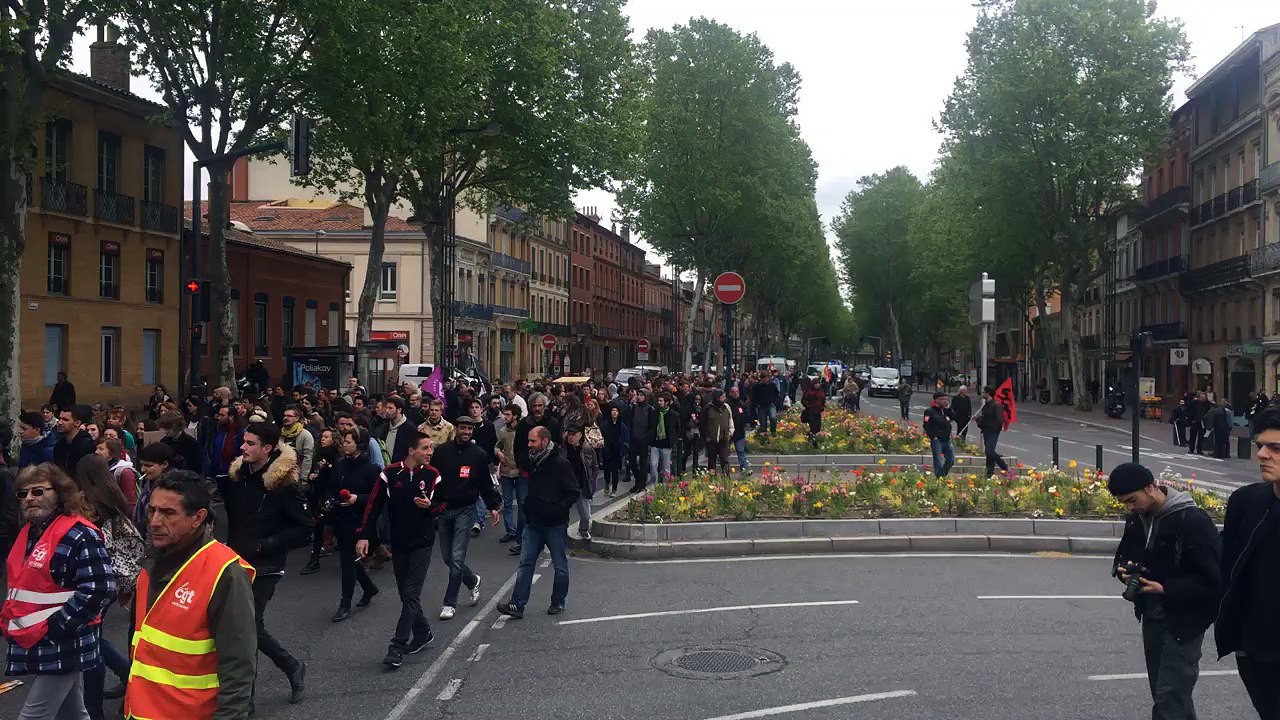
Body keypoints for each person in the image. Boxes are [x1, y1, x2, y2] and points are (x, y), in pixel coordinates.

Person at [124, 473, 256, 720]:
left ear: (198, 518)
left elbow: (239, 667)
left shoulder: (224, 572)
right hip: (141, 711)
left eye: (168, 513)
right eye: (152, 510)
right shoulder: (150, 561)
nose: (154, 521)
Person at [1108, 463, 1221, 720]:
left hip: (1185, 621)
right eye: (1123, 503)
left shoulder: (1192, 521)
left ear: (1151, 487)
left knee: (1170, 694)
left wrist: (1165, 587)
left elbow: (1214, 580)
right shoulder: (1136, 519)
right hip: (1151, 614)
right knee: (1164, 693)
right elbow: (1123, 556)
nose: (1129, 507)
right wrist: (1123, 571)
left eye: (1132, 500)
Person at [2, 463, 115, 720]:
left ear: (61, 494)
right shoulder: (31, 533)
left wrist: (57, 627)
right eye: (23, 493)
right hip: (45, 637)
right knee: (73, 714)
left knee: (33, 716)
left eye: (39, 491)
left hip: (62, 640)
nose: (29, 498)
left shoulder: (78, 533)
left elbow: (100, 587)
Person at [219, 421, 311, 705]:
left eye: (250, 444)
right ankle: (290, 666)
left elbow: (305, 529)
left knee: (249, 627)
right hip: (235, 562)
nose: (242, 448)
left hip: (267, 566)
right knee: (233, 627)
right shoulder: (237, 478)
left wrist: (265, 545)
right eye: (243, 442)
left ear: (268, 449)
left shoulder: (283, 485)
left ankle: (246, 700)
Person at [1216, 407, 1280, 717]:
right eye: (1260, 446)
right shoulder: (1246, 502)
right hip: (1256, 653)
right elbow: (1227, 570)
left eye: (1275, 448)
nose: (1262, 455)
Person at [358, 432, 440, 669]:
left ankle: (397, 646)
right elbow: (373, 506)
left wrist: (430, 507)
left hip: (423, 542)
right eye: (425, 448)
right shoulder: (390, 474)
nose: (430, 452)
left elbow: (444, 504)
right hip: (399, 542)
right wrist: (364, 535)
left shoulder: (433, 474)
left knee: (412, 593)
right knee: (405, 594)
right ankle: (423, 633)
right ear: (411, 450)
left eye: (431, 448)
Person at [74, 455, 143, 718]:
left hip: (93, 577)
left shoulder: (86, 503)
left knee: (91, 641)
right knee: (94, 638)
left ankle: (96, 705)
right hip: (114, 576)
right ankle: (128, 678)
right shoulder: (113, 495)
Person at [497, 426, 579, 619]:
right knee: (526, 563)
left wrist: (557, 509)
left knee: (559, 564)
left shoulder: (560, 463)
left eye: (533, 441)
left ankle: (558, 600)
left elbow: (573, 492)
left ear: (544, 441)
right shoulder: (533, 461)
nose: (529, 445)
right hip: (533, 521)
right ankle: (517, 605)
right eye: (528, 441)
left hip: (554, 524)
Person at [428, 416, 501, 620]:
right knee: (447, 557)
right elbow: (431, 477)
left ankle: (449, 602)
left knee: (457, 557)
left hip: (465, 510)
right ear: (456, 429)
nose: (466, 432)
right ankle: (472, 580)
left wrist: (493, 505)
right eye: (463, 428)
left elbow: (486, 483)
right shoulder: (441, 452)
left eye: (469, 429)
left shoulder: (478, 455)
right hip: (443, 509)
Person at [322, 427, 381, 622]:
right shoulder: (339, 464)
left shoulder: (371, 469)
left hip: (359, 521)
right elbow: (331, 487)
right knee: (350, 560)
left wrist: (359, 498)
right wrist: (330, 499)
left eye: (348, 442)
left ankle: (344, 604)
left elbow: (377, 498)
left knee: (347, 562)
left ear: (360, 445)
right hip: (340, 517)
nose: (344, 445)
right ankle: (369, 588)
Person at [495, 404, 523, 542]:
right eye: (504, 414)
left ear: (515, 416)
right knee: (507, 503)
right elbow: (497, 445)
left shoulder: (522, 430)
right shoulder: (502, 431)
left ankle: (521, 531)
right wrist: (498, 452)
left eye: (508, 414)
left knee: (522, 503)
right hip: (506, 471)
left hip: (519, 471)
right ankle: (510, 530)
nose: (505, 417)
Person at [563, 425, 596, 540]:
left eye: (574, 435)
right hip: (566, 486)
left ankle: (583, 529)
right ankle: (562, 532)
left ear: (580, 436)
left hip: (581, 485)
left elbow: (594, 466)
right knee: (563, 511)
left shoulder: (587, 449)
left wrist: (591, 479)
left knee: (586, 515)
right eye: (569, 435)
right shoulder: (563, 449)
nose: (571, 437)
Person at [977, 386, 1011, 479]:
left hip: (993, 431)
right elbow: (984, 418)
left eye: (983, 392)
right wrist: (977, 419)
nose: (982, 394)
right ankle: (989, 472)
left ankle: (1003, 465)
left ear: (988, 393)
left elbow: (999, 419)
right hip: (986, 431)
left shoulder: (996, 405)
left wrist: (992, 427)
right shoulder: (986, 405)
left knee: (989, 451)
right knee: (988, 453)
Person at [52, 404, 96, 477]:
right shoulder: (59, 445)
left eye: (65, 420)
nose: (59, 422)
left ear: (77, 423)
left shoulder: (87, 446)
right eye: (59, 418)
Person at [158, 411, 205, 476]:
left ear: (176, 426)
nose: (164, 431)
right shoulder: (164, 442)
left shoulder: (192, 444)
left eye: (167, 428)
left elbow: (197, 469)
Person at [648, 393, 680, 483]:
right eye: (658, 400)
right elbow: (651, 426)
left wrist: (673, 439)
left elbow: (677, 429)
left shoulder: (674, 415)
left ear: (667, 402)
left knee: (666, 467)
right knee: (653, 465)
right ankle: (653, 484)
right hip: (655, 443)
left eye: (661, 401)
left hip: (666, 444)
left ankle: (666, 485)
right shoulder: (655, 413)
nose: (659, 402)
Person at [280, 405, 316, 483]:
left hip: (297, 475)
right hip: (281, 473)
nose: (285, 418)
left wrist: (303, 478)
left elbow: (308, 457)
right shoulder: (281, 433)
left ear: (297, 418)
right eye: (284, 416)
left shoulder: (305, 435)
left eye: (289, 416)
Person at [923, 392, 955, 478]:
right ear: (936, 400)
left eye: (945, 399)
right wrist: (933, 436)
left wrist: (948, 408)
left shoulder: (945, 410)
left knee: (951, 460)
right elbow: (926, 425)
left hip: (947, 439)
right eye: (942, 399)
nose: (944, 401)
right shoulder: (930, 411)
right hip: (937, 439)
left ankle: (942, 475)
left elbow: (954, 417)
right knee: (938, 461)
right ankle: (939, 477)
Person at [628, 390, 654, 492]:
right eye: (638, 395)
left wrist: (648, 439)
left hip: (644, 440)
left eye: (641, 395)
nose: (639, 397)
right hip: (634, 439)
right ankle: (638, 481)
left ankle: (641, 484)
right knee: (631, 463)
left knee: (643, 463)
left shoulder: (650, 409)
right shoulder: (634, 408)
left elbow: (651, 427)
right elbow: (629, 420)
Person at [702, 389, 732, 476]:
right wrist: (706, 436)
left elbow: (730, 420)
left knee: (724, 459)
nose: (725, 398)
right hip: (711, 439)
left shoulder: (727, 407)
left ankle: (726, 476)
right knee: (711, 461)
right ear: (718, 398)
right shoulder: (707, 408)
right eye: (723, 396)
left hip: (724, 438)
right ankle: (712, 478)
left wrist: (730, 433)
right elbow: (703, 424)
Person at [601, 404, 629, 496]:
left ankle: (614, 488)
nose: (614, 412)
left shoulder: (622, 425)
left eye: (616, 411)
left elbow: (626, 438)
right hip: (607, 449)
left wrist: (623, 448)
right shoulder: (605, 424)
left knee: (615, 470)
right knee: (607, 469)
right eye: (613, 410)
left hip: (617, 450)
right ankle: (607, 483)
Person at [801, 380, 826, 447]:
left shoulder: (820, 391)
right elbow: (803, 400)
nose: (818, 385)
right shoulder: (809, 391)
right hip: (810, 411)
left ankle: (814, 440)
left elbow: (823, 399)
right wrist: (808, 405)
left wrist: (822, 407)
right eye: (816, 383)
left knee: (818, 427)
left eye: (818, 383)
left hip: (818, 411)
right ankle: (812, 441)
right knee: (813, 427)